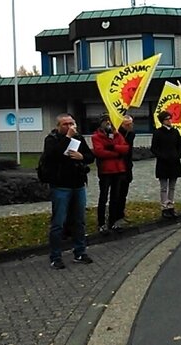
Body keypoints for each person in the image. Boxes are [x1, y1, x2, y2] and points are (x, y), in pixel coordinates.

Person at [43, 113, 95, 269]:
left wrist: (82, 157)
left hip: (77, 185)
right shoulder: (51, 139)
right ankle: (55, 256)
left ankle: (80, 252)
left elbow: (90, 156)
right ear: (58, 126)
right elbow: (54, 155)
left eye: (72, 123)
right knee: (58, 222)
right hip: (60, 186)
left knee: (79, 221)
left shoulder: (78, 138)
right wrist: (67, 138)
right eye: (65, 124)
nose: (70, 127)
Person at [91, 113, 129, 235]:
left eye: (110, 121)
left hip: (118, 170)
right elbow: (100, 152)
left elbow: (125, 148)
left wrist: (113, 147)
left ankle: (112, 222)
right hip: (105, 171)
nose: (108, 124)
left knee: (115, 197)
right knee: (103, 197)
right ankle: (101, 223)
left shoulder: (117, 135)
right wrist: (117, 153)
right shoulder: (96, 136)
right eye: (106, 121)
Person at [150, 110, 181, 219]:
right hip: (163, 163)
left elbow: (180, 146)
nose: (170, 120)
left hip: (174, 162)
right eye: (167, 119)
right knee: (163, 187)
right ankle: (164, 207)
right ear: (162, 121)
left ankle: (171, 206)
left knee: (172, 186)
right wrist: (162, 156)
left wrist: (178, 155)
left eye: (170, 118)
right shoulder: (158, 132)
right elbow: (154, 148)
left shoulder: (175, 132)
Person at [116, 114, 136, 226]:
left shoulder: (131, 134)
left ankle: (121, 214)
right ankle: (115, 215)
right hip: (118, 167)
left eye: (131, 124)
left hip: (128, 167)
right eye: (128, 124)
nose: (130, 126)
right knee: (117, 193)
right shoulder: (117, 134)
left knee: (124, 193)